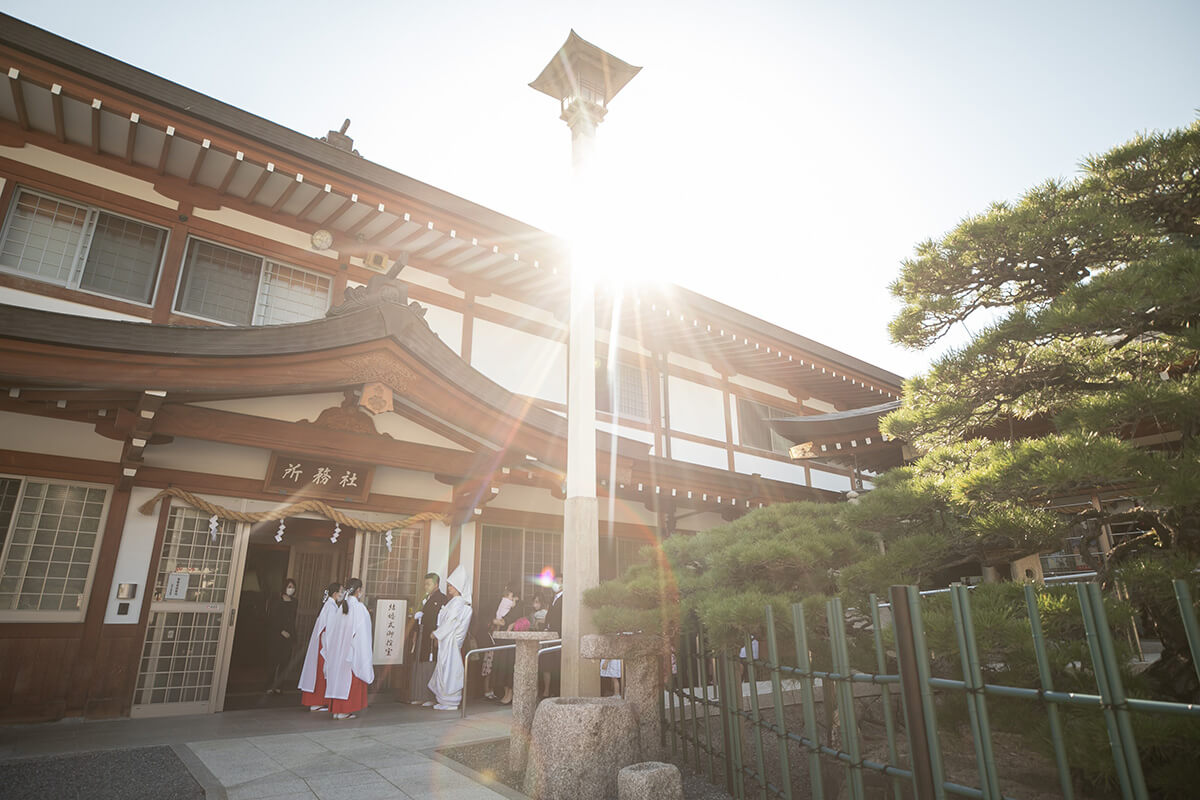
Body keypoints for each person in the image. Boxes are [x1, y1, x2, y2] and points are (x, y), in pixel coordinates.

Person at [325, 577, 374, 720]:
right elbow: (363, 635)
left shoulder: (342, 607)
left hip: (338, 652)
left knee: (338, 681)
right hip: (351, 653)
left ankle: (337, 710)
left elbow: (332, 632)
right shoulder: (359, 608)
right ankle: (344, 710)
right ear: (359, 590)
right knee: (349, 682)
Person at [428, 565, 473, 711]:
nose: (448, 588)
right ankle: (444, 699)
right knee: (444, 669)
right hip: (447, 640)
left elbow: (451, 622)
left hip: (450, 641)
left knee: (449, 669)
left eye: (451, 585)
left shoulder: (458, 602)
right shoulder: (454, 602)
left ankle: (451, 700)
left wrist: (437, 633)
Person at [298, 581, 342, 712]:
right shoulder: (331, 608)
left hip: (322, 643)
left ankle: (317, 701)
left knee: (318, 672)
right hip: (325, 645)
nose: (342, 594)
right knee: (321, 673)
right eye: (341, 591)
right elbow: (330, 629)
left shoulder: (329, 606)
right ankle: (317, 702)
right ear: (335, 594)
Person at [408, 572, 446, 706]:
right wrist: (415, 634)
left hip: (433, 637)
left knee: (431, 664)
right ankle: (420, 694)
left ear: (436, 585)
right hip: (422, 636)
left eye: (429, 584)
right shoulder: (425, 599)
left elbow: (442, 621)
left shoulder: (442, 599)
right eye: (425, 584)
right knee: (421, 663)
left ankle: (431, 697)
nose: (426, 587)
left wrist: (438, 635)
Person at [483, 584, 519, 701]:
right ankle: (505, 693)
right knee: (501, 667)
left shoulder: (514, 611)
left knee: (508, 667)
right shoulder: (502, 606)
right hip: (501, 642)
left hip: (508, 643)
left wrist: (495, 621)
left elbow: (503, 622)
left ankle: (510, 694)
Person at [265, 577, 298, 694]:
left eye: (293, 587)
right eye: (289, 587)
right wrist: (281, 630)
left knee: (285, 661)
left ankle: (279, 686)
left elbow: (292, 619)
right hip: (276, 635)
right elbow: (273, 618)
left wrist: (292, 635)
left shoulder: (294, 602)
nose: (291, 589)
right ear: (284, 587)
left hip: (289, 635)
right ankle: (269, 685)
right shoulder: (277, 600)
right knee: (273, 660)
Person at [542, 578, 563, 697]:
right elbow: (549, 616)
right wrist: (546, 627)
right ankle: (547, 691)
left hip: (559, 635)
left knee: (557, 664)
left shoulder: (565, 598)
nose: (558, 584)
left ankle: (556, 691)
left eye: (560, 581)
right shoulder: (553, 598)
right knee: (548, 663)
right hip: (550, 635)